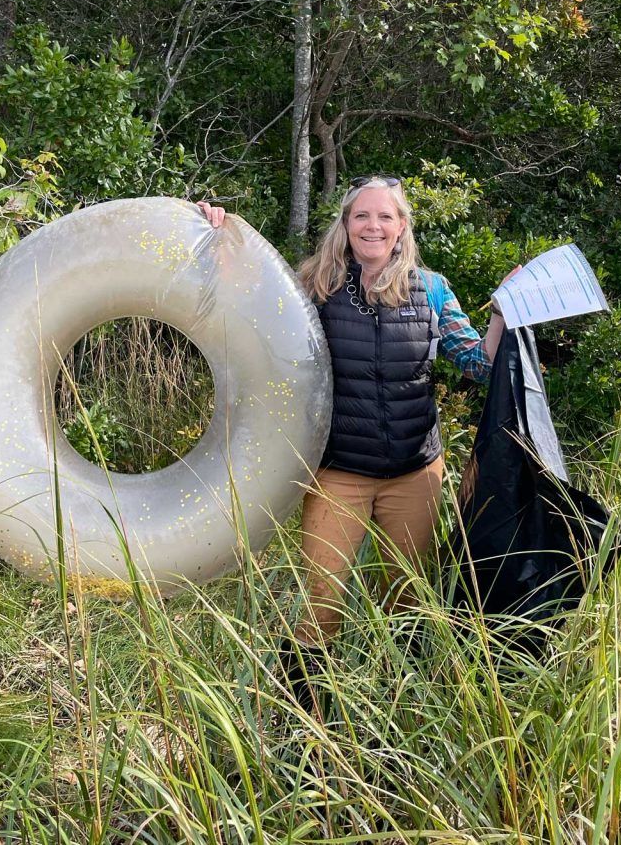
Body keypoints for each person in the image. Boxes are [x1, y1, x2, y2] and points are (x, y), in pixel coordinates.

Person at [197, 177, 518, 708]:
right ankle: (302, 721)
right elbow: (244, 302)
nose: (373, 226)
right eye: (361, 216)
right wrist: (215, 234)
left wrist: (503, 313)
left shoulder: (432, 289)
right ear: (345, 226)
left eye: (385, 217)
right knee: (321, 600)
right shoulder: (314, 286)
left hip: (414, 474)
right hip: (338, 472)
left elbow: (478, 363)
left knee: (408, 598)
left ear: (401, 227)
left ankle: (401, 710)